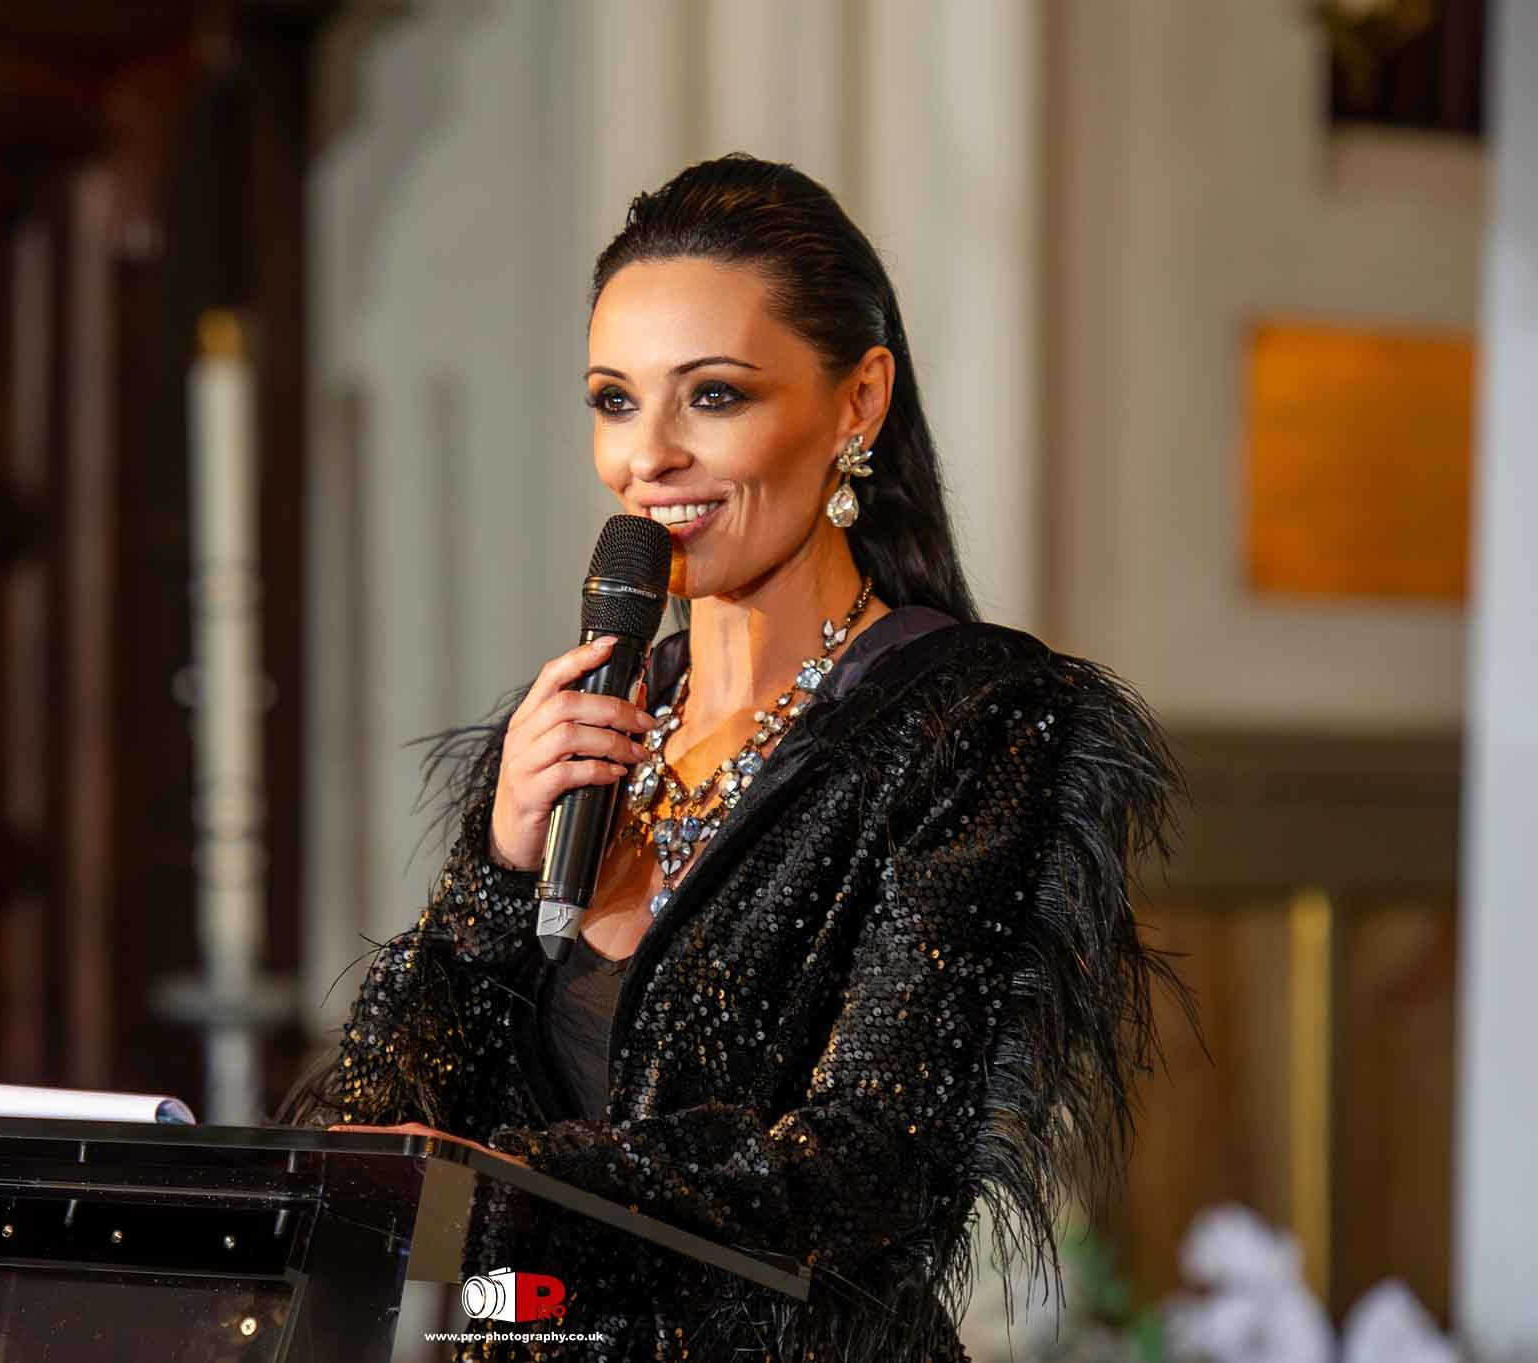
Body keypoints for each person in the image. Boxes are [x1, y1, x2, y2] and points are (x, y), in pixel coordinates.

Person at [281, 153, 1200, 1363]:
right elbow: (375, 1138)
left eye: (710, 396)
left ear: (856, 401)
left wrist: (515, 1195)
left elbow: (875, 1170)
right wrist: (495, 873)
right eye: (613, 401)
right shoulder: (572, 734)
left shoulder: (970, 722)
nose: (647, 456)